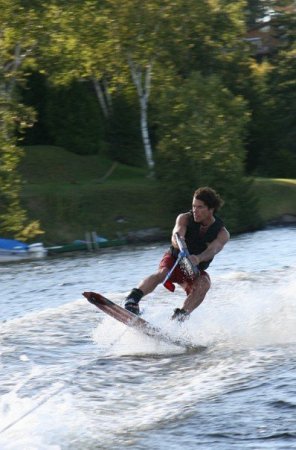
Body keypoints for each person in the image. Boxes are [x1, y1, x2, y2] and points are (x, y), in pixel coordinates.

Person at [124, 187, 230, 321]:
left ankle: (179, 317)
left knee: (205, 284)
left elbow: (213, 249)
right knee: (163, 272)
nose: (195, 211)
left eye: (200, 207)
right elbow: (176, 235)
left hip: (193, 268)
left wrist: (198, 258)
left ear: (211, 209)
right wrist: (181, 245)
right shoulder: (185, 218)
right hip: (175, 259)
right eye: (193, 206)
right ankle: (132, 300)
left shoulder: (222, 233)